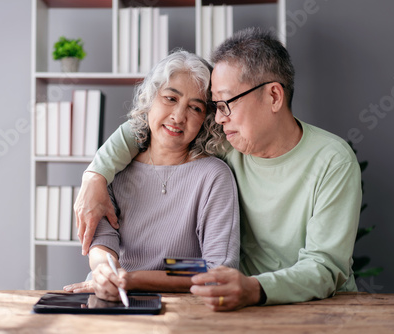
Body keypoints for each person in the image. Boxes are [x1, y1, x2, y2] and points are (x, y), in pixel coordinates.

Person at [74, 27, 362, 310]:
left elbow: (324, 267)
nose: (219, 118)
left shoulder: (332, 160)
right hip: (239, 304)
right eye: (215, 106)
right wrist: (95, 175)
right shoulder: (228, 140)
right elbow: (149, 128)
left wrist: (254, 288)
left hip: (316, 306)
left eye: (225, 104)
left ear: (274, 96)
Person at [64, 50, 240, 301]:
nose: (179, 117)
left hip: (180, 308)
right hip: (110, 297)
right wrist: (104, 270)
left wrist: (134, 279)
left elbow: (216, 267)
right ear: (150, 99)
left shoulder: (213, 177)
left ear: (205, 119)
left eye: (195, 107)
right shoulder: (115, 171)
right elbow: (103, 244)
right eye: (170, 98)